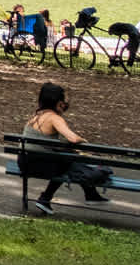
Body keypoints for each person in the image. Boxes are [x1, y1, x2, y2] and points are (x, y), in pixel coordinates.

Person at [21, 83, 114, 214]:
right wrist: (83, 140)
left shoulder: (35, 117)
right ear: (59, 103)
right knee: (71, 162)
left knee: (67, 160)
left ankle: (87, 194)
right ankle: (48, 198)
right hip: (42, 166)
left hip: (25, 163)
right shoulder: (54, 118)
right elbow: (73, 139)